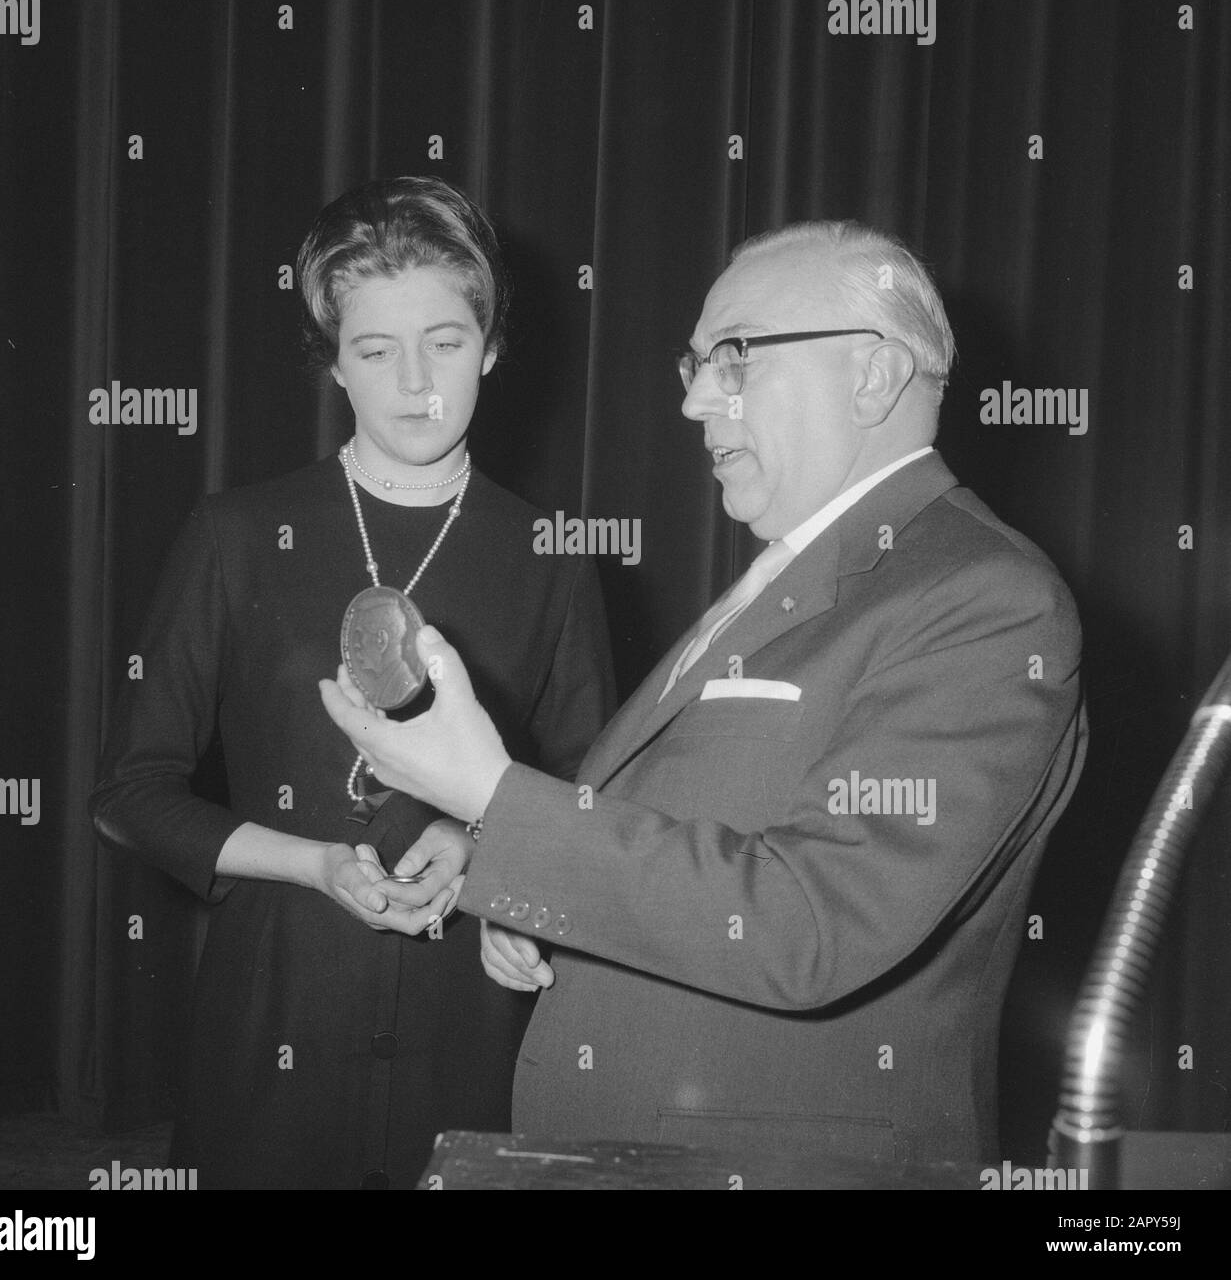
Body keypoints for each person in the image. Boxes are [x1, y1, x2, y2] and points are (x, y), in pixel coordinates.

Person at [320, 219, 1089, 1170]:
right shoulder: (793, 573)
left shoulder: (984, 596)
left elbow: (810, 924)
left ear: (872, 375)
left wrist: (492, 798)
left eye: (732, 357)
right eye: (693, 364)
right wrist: (523, 885)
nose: (691, 400)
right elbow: (684, 831)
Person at [90, 176, 615, 1189]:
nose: (415, 379)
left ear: (494, 347)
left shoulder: (554, 555)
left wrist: (475, 840)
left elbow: (591, 793)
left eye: (447, 343)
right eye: (376, 349)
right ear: (335, 362)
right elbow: (129, 792)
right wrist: (314, 864)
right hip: (274, 1006)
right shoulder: (234, 536)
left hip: (475, 1016)